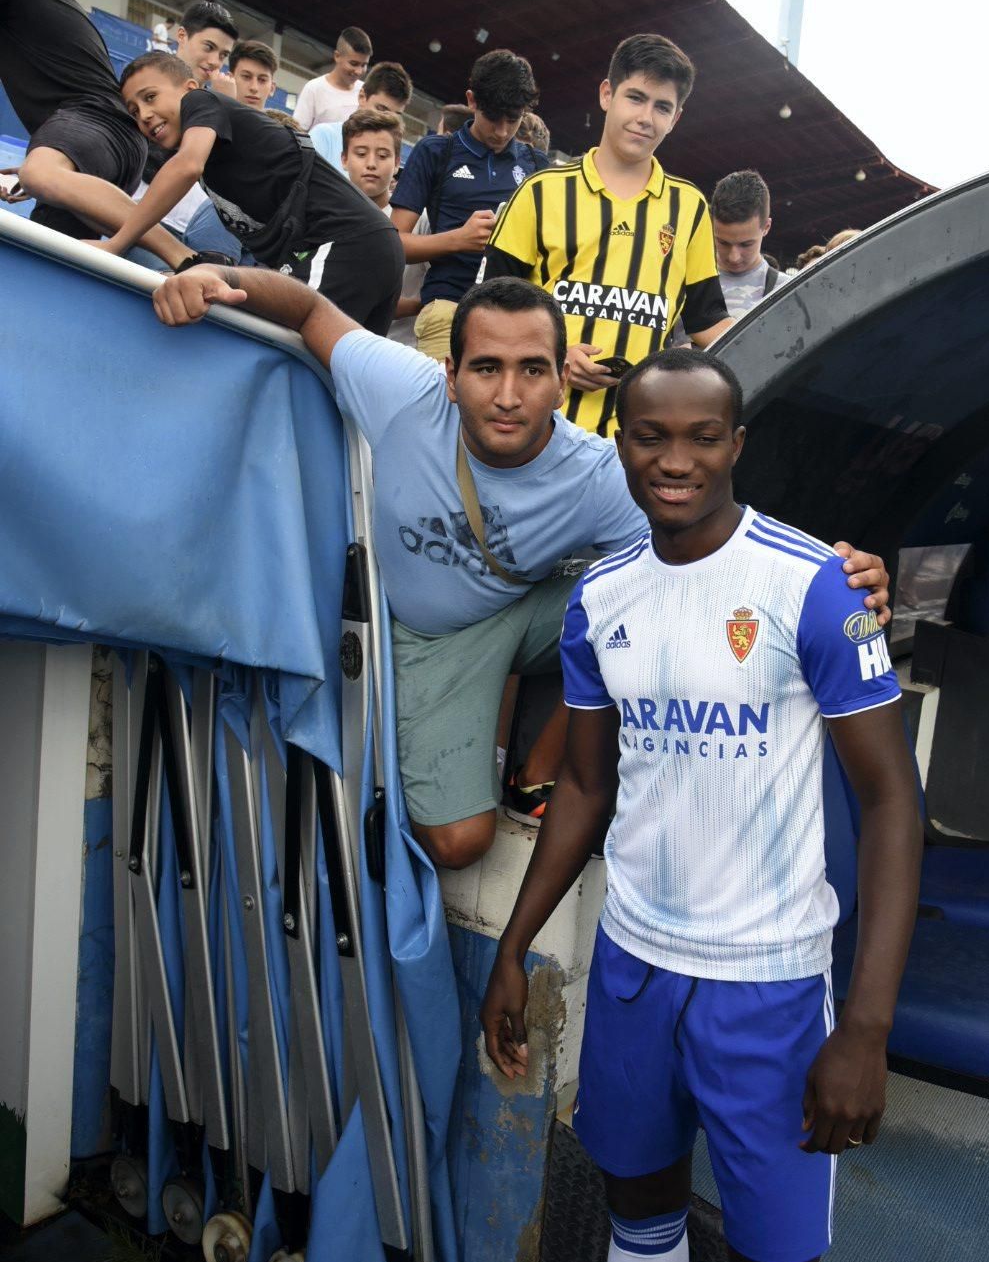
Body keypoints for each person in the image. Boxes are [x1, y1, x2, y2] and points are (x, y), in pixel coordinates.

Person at [148, 268, 894, 873]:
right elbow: (309, 308)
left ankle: (538, 762)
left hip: (542, 605)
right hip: (438, 635)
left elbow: (712, 536)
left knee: (642, 601)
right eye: (487, 368)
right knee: (459, 844)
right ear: (450, 375)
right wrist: (208, 274)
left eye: (532, 369)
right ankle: (506, 720)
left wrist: (833, 579)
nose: (508, 395)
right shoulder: (401, 392)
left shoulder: (598, 470)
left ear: (562, 383)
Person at [481, 346, 922, 1262]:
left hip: (767, 991)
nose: (675, 458)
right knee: (638, 1226)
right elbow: (588, 787)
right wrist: (515, 946)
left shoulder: (812, 583)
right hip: (635, 974)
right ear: (622, 443)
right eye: (651, 435)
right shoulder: (602, 598)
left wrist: (865, 1028)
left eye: (702, 435)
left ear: (737, 444)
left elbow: (892, 801)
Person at [479, 33, 732, 438]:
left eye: (662, 106)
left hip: (634, 439)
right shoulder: (540, 192)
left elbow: (709, 321)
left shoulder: (690, 208)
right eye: (635, 97)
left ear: (676, 118)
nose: (646, 117)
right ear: (606, 94)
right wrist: (553, 354)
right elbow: (487, 310)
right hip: (540, 426)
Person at [104, 52, 403, 331]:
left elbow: (186, 166)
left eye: (151, 97)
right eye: (134, 110)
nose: (144, 114)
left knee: (292, 349)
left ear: (189, 87)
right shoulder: (218, 165)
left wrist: (115, 244)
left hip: (346, 242)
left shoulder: (200, 100)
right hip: (358, 249)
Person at [0, 0, 187, 266]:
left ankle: (182, 256)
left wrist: (50, 170)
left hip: (93, 122)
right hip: (112, 146)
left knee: (40, 173)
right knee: (52, 258)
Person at [390, 49, 546, 363]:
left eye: (513, 120)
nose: (502, 131)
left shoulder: (536, 164)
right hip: (448, 309)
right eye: (493, 118)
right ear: (472, 100)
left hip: (515, 320)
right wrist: (459, 239)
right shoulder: (436, 152)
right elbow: (391, 243)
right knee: (442, 411)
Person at [709, 169, 788, 320]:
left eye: (746, 245)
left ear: (766, 227)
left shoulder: (785, 292)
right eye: (723, 242)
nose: (734, 257)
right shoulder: (684, 285)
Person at [308, 60, 414, 171]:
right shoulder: (324, 136)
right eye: (381, 110)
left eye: (395, 115)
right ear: (362, 97)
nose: (387, 120)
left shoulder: (390, 158)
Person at [292, 26, 373, 131]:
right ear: (337, 56)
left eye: (364, 65)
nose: (358, 71)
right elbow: (298, 132)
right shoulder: (314, 89)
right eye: (354, 64)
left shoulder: (367, 92)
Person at [340, 106, 401, 210]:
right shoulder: (322, 211)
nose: (371, 164)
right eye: (361, 154)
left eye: (382, 155)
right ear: (344, 160)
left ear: (396, 163)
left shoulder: (418, 219)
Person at [174, 0, 239, 93]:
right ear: (182, 36)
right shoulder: (148, 82)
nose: (215, 62)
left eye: (223, 55)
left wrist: (224, 104)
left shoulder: (220, 103)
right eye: (209, 47)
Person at [227, 39, 278, 110]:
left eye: (262, 80)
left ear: (272, 89)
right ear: (229, 79)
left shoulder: (279, 121)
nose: (254, 88)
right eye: (246, 77)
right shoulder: (208, 118)